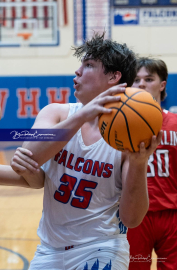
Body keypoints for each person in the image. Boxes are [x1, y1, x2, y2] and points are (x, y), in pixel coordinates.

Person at [10, 33, 162, 270]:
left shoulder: (129, 132)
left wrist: (140, 163)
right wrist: (83, 114)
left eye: (88, 65)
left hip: (102, 246)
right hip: (49, 249)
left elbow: (132, 220)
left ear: (114, 77)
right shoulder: (56, 113)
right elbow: (28, 159)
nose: (77, 71)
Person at [127, 57, 177, 270]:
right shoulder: (121, 126)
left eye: (148, 79)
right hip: (136, 216)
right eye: (136, 80)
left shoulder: (175, 124)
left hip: (172, 214)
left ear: (162, 84)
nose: (141, 84)